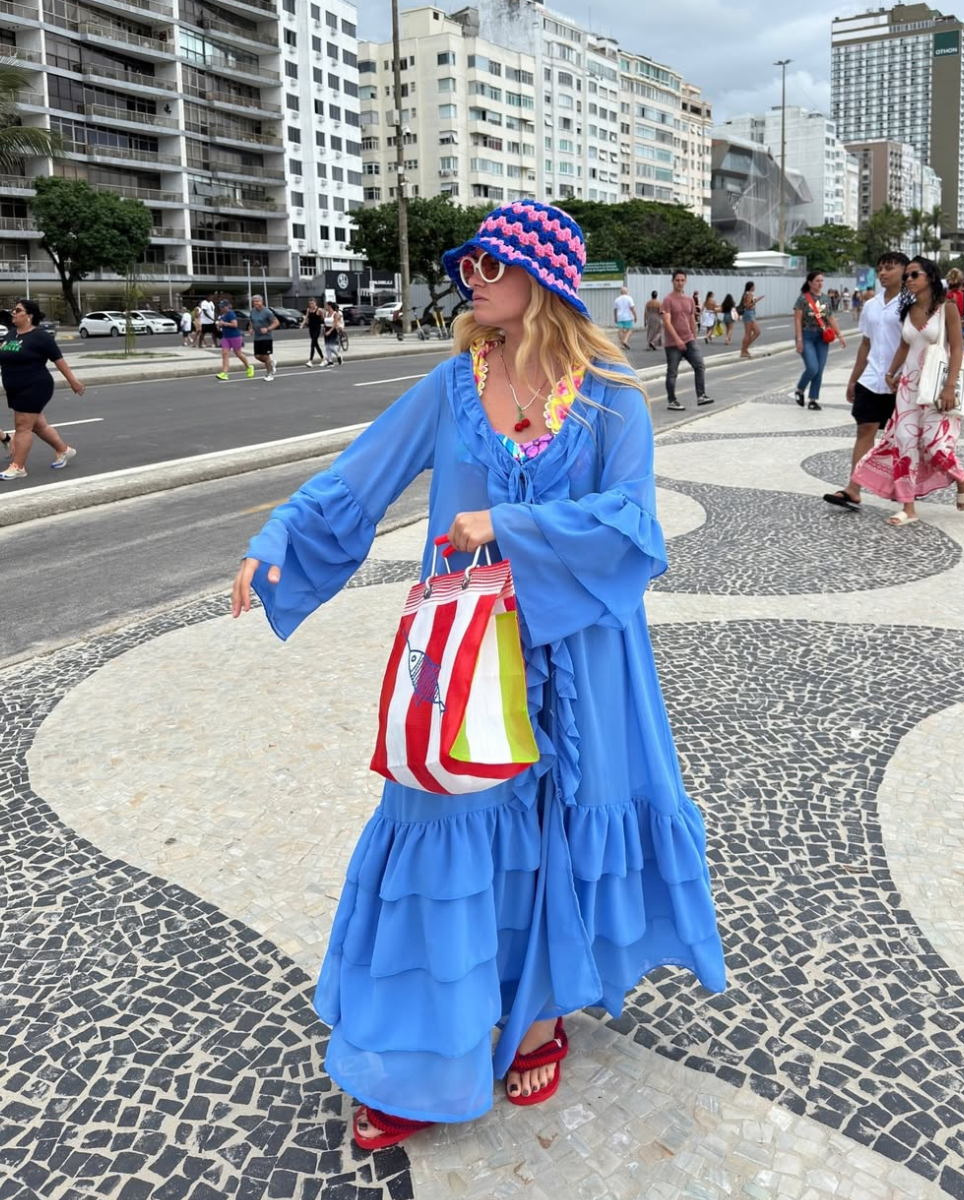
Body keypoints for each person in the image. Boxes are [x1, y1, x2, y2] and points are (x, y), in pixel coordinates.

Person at [231, 199, 726, 1151]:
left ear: (542, 277)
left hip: (583, 657)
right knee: (445, 818)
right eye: (469, 265)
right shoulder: (454, 383)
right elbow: (358, 478)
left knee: (561, 820)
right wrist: (276, 541)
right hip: (462, 651)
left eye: (492, 265)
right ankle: (422, 1053)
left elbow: (635, 525)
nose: (473, 280)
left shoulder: (610, 394)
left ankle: (540, 1013)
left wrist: (510, 525)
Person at [852, 256, 964, 526]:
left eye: (913, 274)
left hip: (936, 388)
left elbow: (957, 349)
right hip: (908, 388)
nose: (908, 279)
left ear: (929, 276)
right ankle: (908, 508)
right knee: (905, 443)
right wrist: (890, 372)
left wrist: (950, 387)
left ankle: (963, 477)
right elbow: (905, 346)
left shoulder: (947, 308)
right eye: (906, 275)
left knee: (934, 445)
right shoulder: (907, 309)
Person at [823, 252, 909, 511]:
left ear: (905, 271)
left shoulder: (912, 303)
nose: (883, 273)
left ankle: (904, 490)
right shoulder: (871, 305)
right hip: (872, 379)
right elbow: (866, 344)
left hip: (902, 380)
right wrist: (854, 379)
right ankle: (853, 489)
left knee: (902, 437)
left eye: (890, 268)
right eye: (880, 268)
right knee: (864, 430)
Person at [0, 299, 85, 481]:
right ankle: (64, 450)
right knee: (39, 426)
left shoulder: (41, 337)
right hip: (15, 388)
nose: (13, 313)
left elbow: (59, 360)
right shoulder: (12, 334)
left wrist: (73, 381)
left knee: (22, 426)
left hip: (34, 386)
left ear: (28, 316)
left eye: (18, 310)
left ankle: (18, 467)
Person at [792, 271, 846, 411]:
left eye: (822, 280)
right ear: (810, 282)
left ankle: (813, 399)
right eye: (817, 280)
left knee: (820, 369)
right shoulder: (802, 299)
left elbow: (830, 318)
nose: (820, 283)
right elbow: (797, 320)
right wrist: (799, 339)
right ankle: (800, 389)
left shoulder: (825, 299)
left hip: (822, 337)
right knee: (812, 367)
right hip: (806, 335)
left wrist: (839, 335)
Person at [660, 269, 713, 411]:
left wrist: (694, 338)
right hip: (673, 343)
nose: (680, 283)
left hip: (689, 339)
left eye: (682, 280)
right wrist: (677, 340)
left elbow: (691, 320)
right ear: (672, 281)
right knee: (672, 372)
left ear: (685, 281)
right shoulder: (667, 300)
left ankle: (701, 395)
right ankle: (672, 400)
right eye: (677, 280)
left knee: (699, 365)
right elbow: (667, 322)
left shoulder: (689, 300)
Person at [215, 300, 254, 382]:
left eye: (222, 307)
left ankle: (249, 367)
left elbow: (235, 325)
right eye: (220, 307)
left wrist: (224, 323)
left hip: (235, 336)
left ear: (227, 307)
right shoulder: (222, 315)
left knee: (238, 353)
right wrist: (219, 325)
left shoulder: (231, 313)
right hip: (225, 337)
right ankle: (224, 373)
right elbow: (222, 325)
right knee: (225, 354)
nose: (221, 308)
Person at [249, 294, 279, 382]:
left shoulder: (267, 312)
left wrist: (268, 329)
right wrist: (250, 328)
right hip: (257, 337)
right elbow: (251, 320)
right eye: (254, 302)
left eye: (257, 301)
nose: (255, 303)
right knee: (257, 356)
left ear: (262, 302)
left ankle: (269, 374)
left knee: (266, 356)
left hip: (266, 337)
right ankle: (271, 363)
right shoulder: (253, 311)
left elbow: (276, 322)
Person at [738, 282, 764, 358]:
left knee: (757, 332)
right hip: (749, 313)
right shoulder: (749, 294)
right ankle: (743, 350)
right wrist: (756, 300)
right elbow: (748, 305)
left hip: (750, 313)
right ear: (751, 287)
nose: (755, 287)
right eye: (754, 286)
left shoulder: (747, 293)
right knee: (749, 333)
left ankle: (744, 349)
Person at [613, 285, 637, 349]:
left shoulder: (617, 299)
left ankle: (622, 343)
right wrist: (635, 316)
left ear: (621, 292)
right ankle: (625, 341)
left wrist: (615, 318)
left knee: (620, 330)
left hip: (619, 317)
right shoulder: (629, 298)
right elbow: (632, 308)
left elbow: (615, 309)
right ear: (626, 292)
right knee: (629, 330)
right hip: (627, 317)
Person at [301, 299, 324, 365]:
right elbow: (306, 318)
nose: (311, 305)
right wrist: (302, 324)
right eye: (310, 304)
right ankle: (323, 359)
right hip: (311, 328)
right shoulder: (308, 310)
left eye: (312, 303)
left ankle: (310, 360)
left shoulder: (319, 310)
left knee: (312, 343)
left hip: (317, 328)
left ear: (315, 303)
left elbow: (322, 319)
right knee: (316, 344)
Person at [323, 301, 344, 366]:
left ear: (329, 306)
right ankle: (330, 361)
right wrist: (324, 329)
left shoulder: (335, 314)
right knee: (327, 347)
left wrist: (330, 331)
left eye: (325, 305)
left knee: (331, 346)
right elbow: (324, 323)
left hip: (332, 330)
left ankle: (339, 356)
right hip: (326, 329)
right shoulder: (326, 313)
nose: (325, 307)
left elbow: (335, 324)